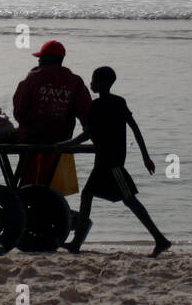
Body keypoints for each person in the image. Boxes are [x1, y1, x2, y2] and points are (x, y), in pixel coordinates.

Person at [65, 67, 170, 257]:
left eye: (93, 80)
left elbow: (87, 135)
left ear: (101, 84)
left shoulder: (96, 106)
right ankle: (76, 243)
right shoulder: (118, 102)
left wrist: (66, 145)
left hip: (111, 163)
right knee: (88, 195)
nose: (91, 84)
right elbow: (135, 129)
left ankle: (160, 239)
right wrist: (145, 156)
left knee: (129, 200)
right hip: (106, 161)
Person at [12, 40, 90, 190]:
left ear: (46, 59)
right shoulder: (75, 81)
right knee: (50, 181)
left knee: (27, 178)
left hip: (31, 139)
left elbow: (19, 113)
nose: (39, 60)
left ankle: (24, 195)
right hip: (62, 140)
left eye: (40, 58)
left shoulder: (32, 79)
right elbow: (87, 115)